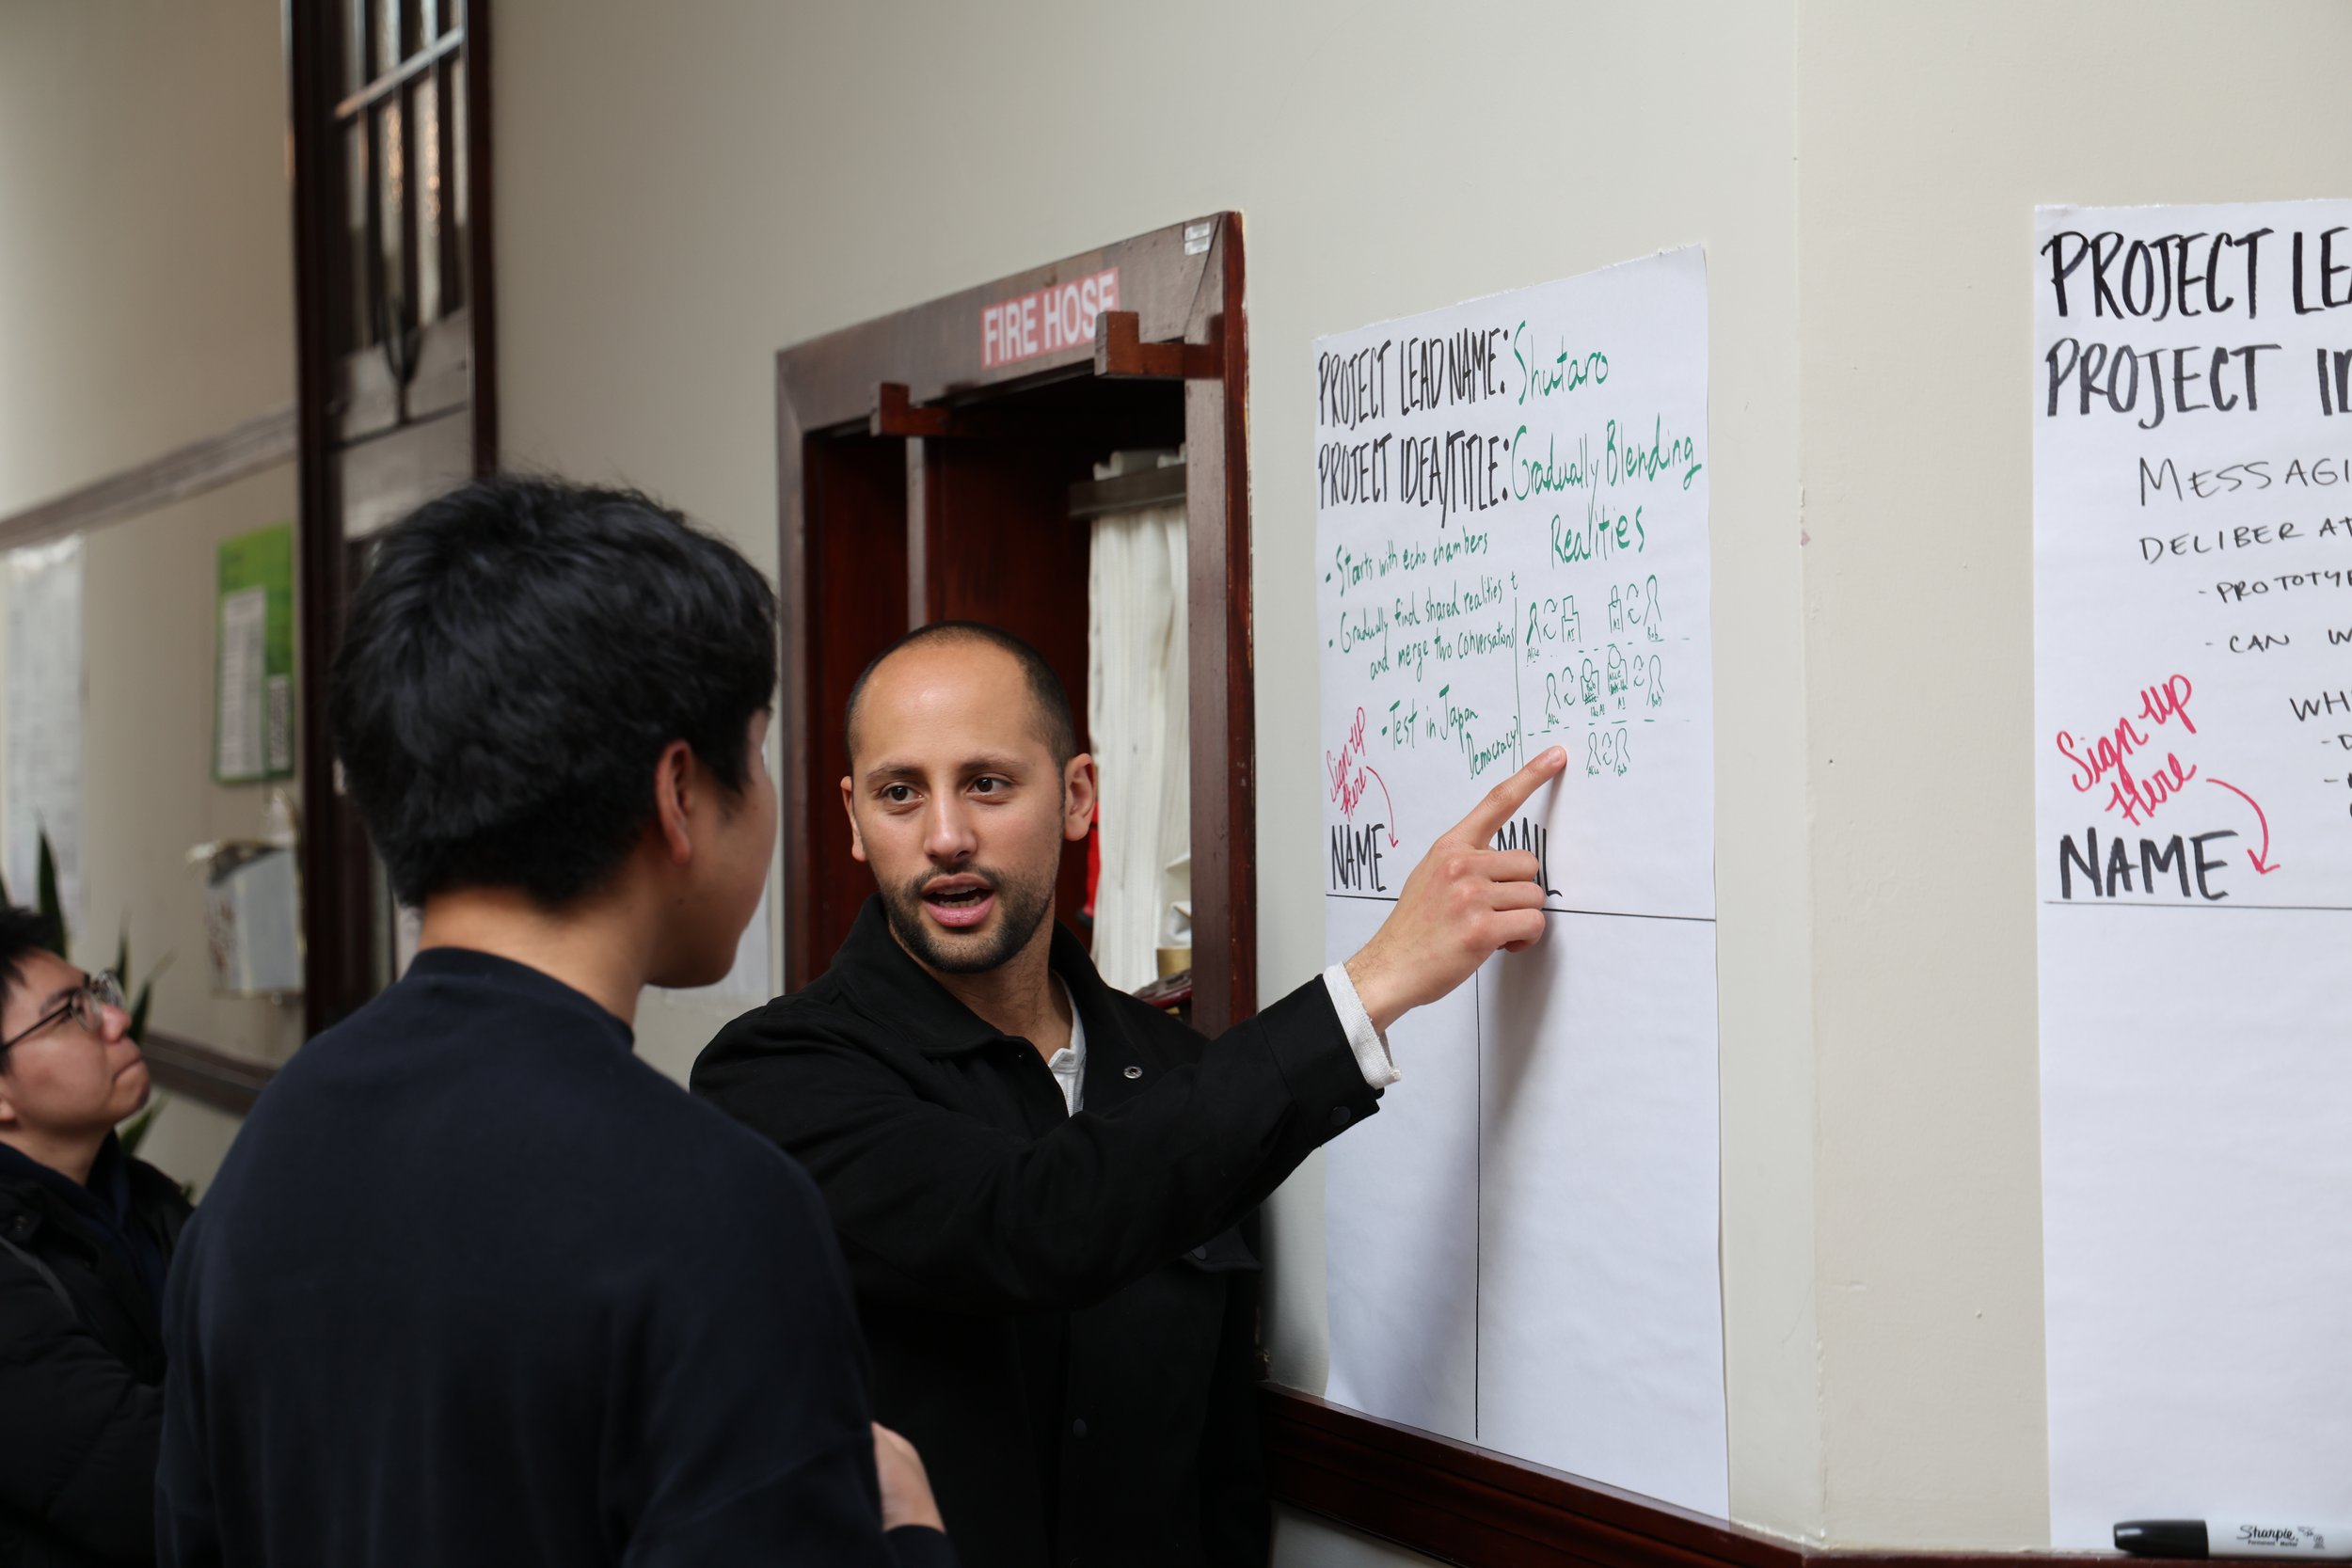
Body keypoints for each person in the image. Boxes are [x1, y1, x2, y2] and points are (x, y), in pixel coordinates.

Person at [157, 477, 954, 1567]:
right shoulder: (715, 1210)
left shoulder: (267, 1157)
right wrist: (907, 1533)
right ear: (678, 791)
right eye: (759, 748)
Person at [694, 621, 1564, 1568]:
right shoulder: (773, 1073)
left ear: (1076, 796)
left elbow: (1222, 1466)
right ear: (855, 819)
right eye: (901, 793)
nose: (945, 835)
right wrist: (1370, 984)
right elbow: (1031, 1220)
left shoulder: (1179, 1070)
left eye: (987, 783)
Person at [0, 906, 189, 1568]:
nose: (117, 1018)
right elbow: (144, 1485)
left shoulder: (146, 1200)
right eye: (72, 1012)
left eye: (98, 992)